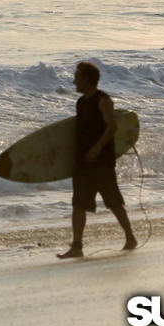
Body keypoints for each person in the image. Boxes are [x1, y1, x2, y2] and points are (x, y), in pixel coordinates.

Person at [56, 61, 137, 258]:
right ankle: (77, 246)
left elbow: (112, 127)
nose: (74, 81)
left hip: (102, 162)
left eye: (77, 77)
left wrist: (97, 148)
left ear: (87, 79)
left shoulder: (103, 100)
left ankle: (130, 237)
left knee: (113, 202)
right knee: (78, 205)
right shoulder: (81, 102)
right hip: (82, 161)